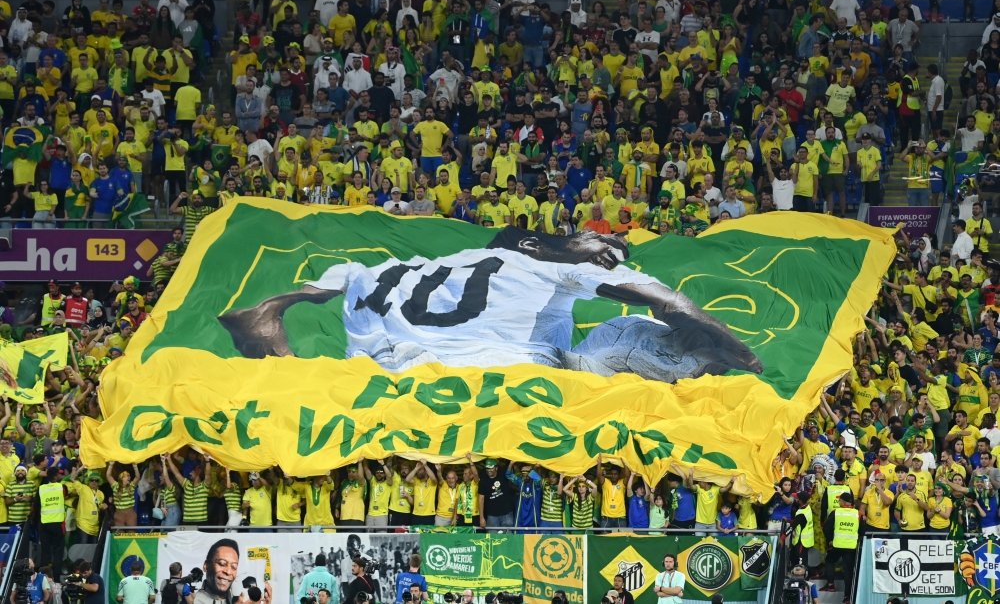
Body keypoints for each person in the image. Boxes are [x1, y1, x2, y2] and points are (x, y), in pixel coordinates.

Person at [217, 228, 762, 384]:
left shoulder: (379, 269)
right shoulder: (547, 264)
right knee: (634, 332)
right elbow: (667, 301)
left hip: (384, 373)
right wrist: (743, 356)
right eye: (595, 243)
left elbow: (267, 312)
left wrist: (282, 361)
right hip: (507, 371)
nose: (607, 254)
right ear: (528, 242)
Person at [819, 492, 859, 599]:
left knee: (829, 561)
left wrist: (830, 540)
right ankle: (847, 597)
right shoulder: (858, 514)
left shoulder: (836, 512)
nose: (839, 502)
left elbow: (826, 527)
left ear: (843, 501)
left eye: (839, 500)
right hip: (851, 547)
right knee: (848, 570)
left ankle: (830, 585)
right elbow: (862, 531)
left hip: (836, 545)